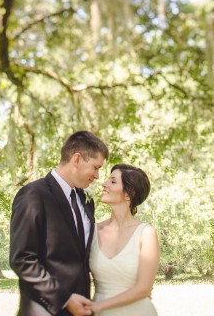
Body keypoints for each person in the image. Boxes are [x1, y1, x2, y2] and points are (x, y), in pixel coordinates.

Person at [10, 131, 109, 316]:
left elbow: (82, 259)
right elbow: (22, 259)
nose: (97, 175)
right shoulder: (33, 195)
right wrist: (64, 298)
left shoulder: (86, 201)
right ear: (77, 159)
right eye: (95, 167)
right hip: (44, 309)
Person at [89, 164, 159, 316]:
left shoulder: (146, 233)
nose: (104, 184)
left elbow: (144, 289)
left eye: (113, 181)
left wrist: (98, 306)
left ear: (128, 194)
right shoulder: (92, 230)